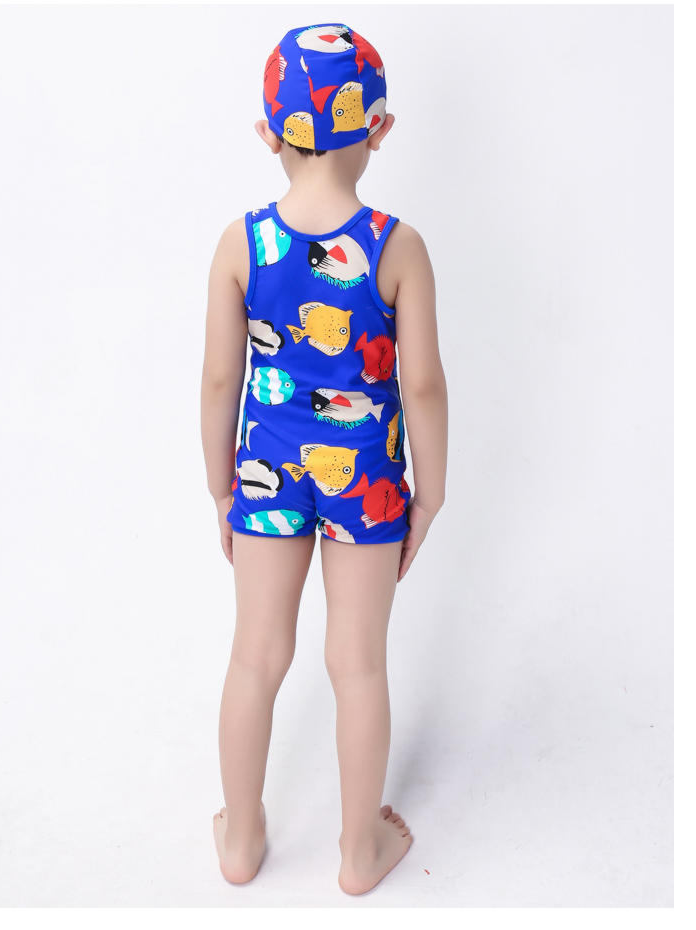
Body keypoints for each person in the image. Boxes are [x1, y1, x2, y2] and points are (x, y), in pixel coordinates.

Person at [200, 22, 448, 895]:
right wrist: (429, 494)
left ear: (268, 133)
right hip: (368, 480)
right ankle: (358, 851)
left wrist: (222, 489)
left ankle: (240, 840)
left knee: (256, 656)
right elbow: (422, 385)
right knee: (359, 663)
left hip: (265, 473)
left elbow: (221, 377)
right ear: (380, 129)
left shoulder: (242, 244)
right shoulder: (397, 246)